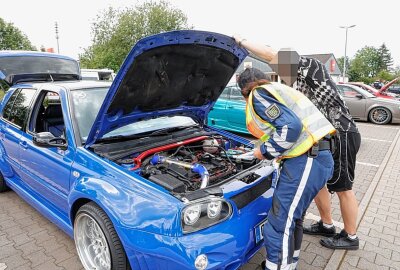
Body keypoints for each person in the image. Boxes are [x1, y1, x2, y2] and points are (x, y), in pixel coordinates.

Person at [233, 35, 361, 251]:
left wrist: (241, 41)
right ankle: (327, 224)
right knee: (320, 184)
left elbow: (271, 53)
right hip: (321, 138)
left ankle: (350, 236)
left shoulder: (310, 66)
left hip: (341, 132)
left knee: (343, 188)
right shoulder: (294, 83)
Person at [237, 67, 335, 270]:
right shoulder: (277, 89)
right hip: (315, 157)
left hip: (307, 158)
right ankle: (288, 264)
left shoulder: (258, 93)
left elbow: (290, 127)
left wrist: (263, 151)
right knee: (293, 218)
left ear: (244, 90)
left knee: (279, 223)